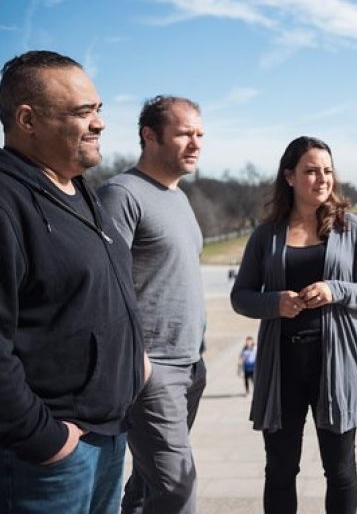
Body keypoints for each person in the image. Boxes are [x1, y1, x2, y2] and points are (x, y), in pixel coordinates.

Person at [0, 50, 148, 512]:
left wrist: (135, 362)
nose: (100, 123)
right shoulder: (8, 202)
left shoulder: (78, 187)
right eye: (83, 112)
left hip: (107, 435)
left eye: (98, 109)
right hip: (48, 458)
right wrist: (45, 438)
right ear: (28, 119)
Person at [230, 136, 357, 514]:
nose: (322, 179)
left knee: (341, 469)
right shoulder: (266, 235)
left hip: (335, 363)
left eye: (328, 171)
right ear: (289, 176)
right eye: (311, 171)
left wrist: (336, 290)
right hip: (282, 364)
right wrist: (275, 302)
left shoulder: (352, 230)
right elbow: (241, 296)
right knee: (280, 470)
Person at [98, 95, 207, 513]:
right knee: (179, 489)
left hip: (190, 364)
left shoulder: (178, 197)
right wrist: (138, 360)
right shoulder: (122, 194)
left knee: (147, 486)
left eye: (199, 134)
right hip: (152, 368)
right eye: (184, 134)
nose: (195, 143)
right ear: (150, 135)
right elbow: (106, 287)